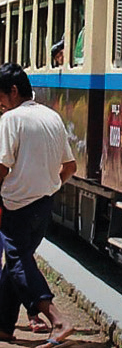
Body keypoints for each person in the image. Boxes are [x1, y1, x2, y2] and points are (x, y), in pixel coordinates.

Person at [0, 63, 76, 346]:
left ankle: (57, 319)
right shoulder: (52, 117)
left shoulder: (11, 120)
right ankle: (4, 326)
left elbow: (1, 167)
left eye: (1, 97)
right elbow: (70, 166)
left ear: (14, 91)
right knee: (17, 264)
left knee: (19, 261)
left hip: (16, 205)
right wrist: (49, 185)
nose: (0, 104)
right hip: (44, 206)